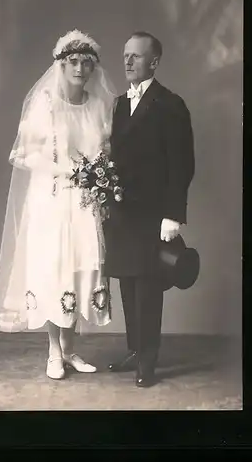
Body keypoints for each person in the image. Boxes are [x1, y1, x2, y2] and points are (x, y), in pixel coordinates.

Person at [0, 29, 115, 380]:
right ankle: (53, 352)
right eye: (73, 62)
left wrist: (96, 176)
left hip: (85, 204)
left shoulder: (98, 106)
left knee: (79, 272)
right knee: (54, 270)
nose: (80, 69)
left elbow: (105, 152)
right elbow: (25, 154)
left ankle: (71, 349)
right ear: (61, 65)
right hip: (53, 198)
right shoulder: (46, 104)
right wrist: (66, 169)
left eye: (86, 63)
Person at [103, 31, 195, 387]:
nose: (127, 62)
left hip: (154, 215)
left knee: (148, 286)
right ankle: (135, 349)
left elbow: (182, 164)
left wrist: (173, 215)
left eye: (136, 57)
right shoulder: (120, 103)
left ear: (154, 62)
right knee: (127, 281)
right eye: (125, 55)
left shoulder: (170, 104)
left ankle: (149, 360)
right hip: (123, 213)